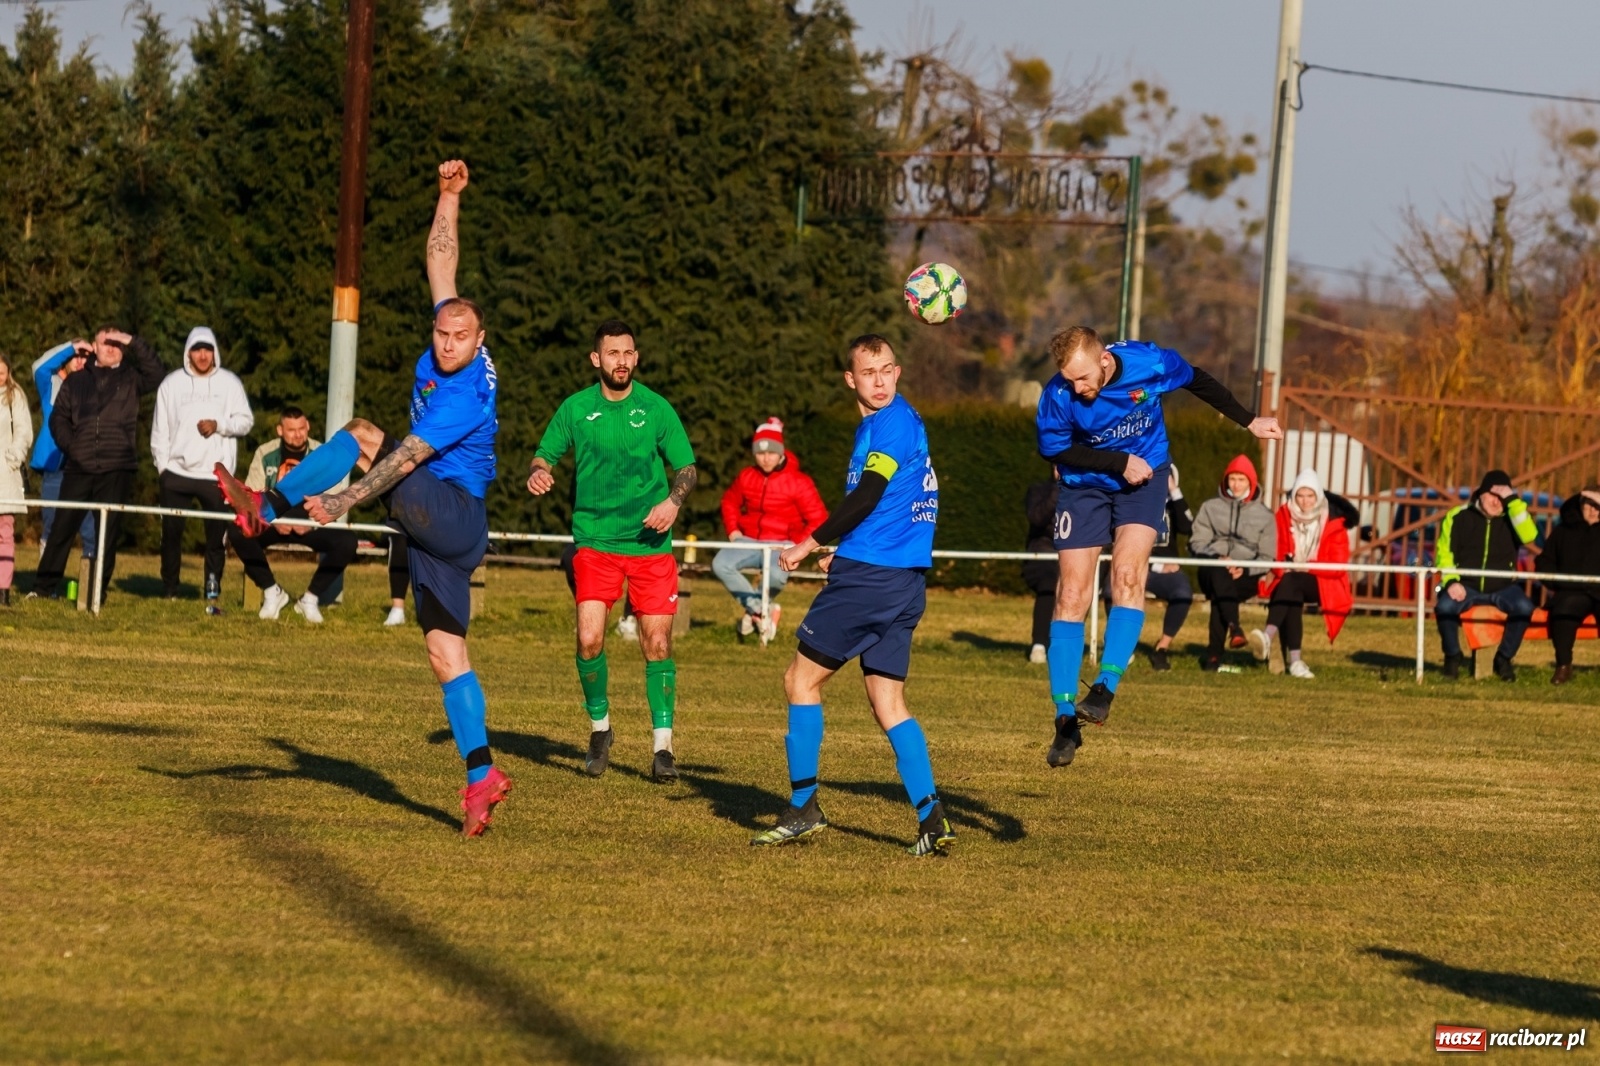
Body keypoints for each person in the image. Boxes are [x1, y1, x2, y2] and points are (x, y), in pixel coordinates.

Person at [216, 159, 511, 836]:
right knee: (444, 654)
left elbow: (405, 457)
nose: (446, 344)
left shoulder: (465, 395)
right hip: (439, 527)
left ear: (480, 342)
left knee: (365, 433)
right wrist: (448, 196)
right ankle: (480, 777)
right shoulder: (449, 329)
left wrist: (341, 503)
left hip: (455, 515)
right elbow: (442, 261)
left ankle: (270, 505)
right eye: (441, 334)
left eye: (460, 338)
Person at [1036, 326, 1280, 768]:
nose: (1077, 388)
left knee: (1128, 575)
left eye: (1084, 378)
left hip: (1144, 480)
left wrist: (1249, 420)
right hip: (1085, 486)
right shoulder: (1058, 395)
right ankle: (1064, 718)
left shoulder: (1148, 363)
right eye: (1070, 380)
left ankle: (1106, 687)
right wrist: (1117, 462)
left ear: (1105, 361)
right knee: (1070, 594)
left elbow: (1197, 378)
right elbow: (1054, 449)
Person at [750, 334, 954, 857]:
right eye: (870, 372)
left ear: (898, 371)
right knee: (887, 700)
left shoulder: (890, 424)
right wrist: (847, 548)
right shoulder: (895, 421)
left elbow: (869, 494)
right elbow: (898, 505)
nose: (881, 380)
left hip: (873, 579)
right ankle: (932, 819)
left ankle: (803, 808)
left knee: (799, 679)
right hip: (903, 579)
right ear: (852, 379)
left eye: (888, 369)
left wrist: (810, 542)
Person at [527, 319, 697, 783]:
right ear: (595, 359)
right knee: (588, 639)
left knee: (656, 643)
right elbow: (544, 454)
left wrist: (673, 501)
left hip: (650, 546)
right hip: (596, 543)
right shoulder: (576, 409)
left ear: (635, 358)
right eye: (612, 353)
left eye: (628, 353)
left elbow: (686, 467)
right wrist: (538, 471)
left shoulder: (657, 408)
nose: (621, 361)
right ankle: (600, 729)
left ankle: (663, 748)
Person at [31, 328, 164, 601]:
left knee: (107, 533)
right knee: (61, 529)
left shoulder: (131, 379)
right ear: (95, 346)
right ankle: (44, 589)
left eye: (118, 344)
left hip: (117, 467)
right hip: (79, 467)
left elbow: (157, 373)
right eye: (107, 342)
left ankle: (96, 591)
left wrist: (131, 340)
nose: (112, 347)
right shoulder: (75, 381)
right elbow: (58, 419)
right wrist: (73, 446)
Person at [151, 327, 254, 612]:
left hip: (215, 476)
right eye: (197, 349)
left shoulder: (229, 383)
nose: (203, 355)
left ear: (214, 352)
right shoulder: (171, 384)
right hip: (177, 473)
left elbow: (245, 422)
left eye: (207, 349)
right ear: (188, 352)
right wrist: (163, 468)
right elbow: (160, 430)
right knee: (171, 534)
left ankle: (212, 590)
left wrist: (220, 425)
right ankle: (170, 589)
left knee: (215, 538)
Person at [230, 407, 359, 624]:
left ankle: (310, 598)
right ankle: (272, 592)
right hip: (273, 520)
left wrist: (312, 522)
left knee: (348, 541)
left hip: (312, 520)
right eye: (291, 430)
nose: (298, 434)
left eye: (301, 428)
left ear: (308, 426)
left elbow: (335, 496)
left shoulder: (322, 452)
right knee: (237, 531)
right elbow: (253, 495)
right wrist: (275, 520)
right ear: (280, 430)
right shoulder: (265, 452)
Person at [714, 417, 827, 642]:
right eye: (760, 453)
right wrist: (733, 530)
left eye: (771, 453)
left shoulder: (799, 482)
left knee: (777, 575)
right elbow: (729, 501)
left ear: (781, 452)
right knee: (720, 564)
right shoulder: (746, 475)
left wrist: (797, 545)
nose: (765, 458)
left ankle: (754, 612)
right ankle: (760, 610)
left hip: (782, 545)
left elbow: (819, 519)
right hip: (748, 540)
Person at [1433, 469, 1537, 681]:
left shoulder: (1513, 517)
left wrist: (1513, 501)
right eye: (1493, 495)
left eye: (1502, 497)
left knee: (1525, 607)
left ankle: (1504, 658)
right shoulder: (1457, 516)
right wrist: (1451, 581)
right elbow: (1444, 553)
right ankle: (1452, 656)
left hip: (1503, 586)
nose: (1497, 501)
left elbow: (1530, 535)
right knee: (1444, 607)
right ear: (1481, 492)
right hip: (1465, 585)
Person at [1254, 468, 1356, 678]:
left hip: (1325, 582)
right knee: (1292, 593)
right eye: (1300, 495)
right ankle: (1295, 661)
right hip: (1289, 578)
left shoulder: (1335, 521)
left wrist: (1306, 566)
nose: (1305, 501)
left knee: (1292, 582)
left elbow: (1337, 566)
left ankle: (1267, 635)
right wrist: (1287, 564)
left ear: (1318, 495)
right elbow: (1277, 550)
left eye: (1310, 495)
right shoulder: (1282, 515)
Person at [1097, 464, 1195, 671]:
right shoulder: (1130, 501)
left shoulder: (1172, 504)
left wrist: (1174, 491)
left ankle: (1162, 648)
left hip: (1165, 571)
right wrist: (1157, 565)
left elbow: (1188, 527)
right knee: (1111, 589)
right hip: (1135, 564)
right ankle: (1121, 646)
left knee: (1183, 591)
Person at [1190, 454, 1276, 671]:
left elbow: (1267, 558)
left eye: (1241, 480)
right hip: (1211, 569)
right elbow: (1196, 542)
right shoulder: (1210, 507)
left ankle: (1214, 657)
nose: (1236, 485)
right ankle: (1234, 628)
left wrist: (1243, 568)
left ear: (1251, 482)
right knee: (1220, 575)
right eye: (1232, 479)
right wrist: (1217, 559)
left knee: (1222, 596)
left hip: (1245, 575)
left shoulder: (1266, 516)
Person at [29, 341, 96, 560]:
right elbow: (39, 367)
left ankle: (90, 585)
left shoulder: (95, 386)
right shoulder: (51, 384)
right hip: (55, 469)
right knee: (51, 525)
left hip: (84, 468)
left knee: (89, 529)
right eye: (75, 356)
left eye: (85, 357)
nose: (80, 360)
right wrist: (71, 346)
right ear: (63, 363)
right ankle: (47, 586)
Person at [1536, 487, 1600, 685]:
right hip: (1571, 592)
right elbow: (1545, 563)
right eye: (1589, 504)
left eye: (1598, 506)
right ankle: (1564, 666)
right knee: (1564, 612)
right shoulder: (1563, 531)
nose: (1593, 510)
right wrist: (1558, 582)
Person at [0, 354, 34, 606]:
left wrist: (13, 456)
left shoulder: (15, 397)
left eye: (1, 373)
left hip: (5, 476)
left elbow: (24, 431)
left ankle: (3, 589)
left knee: (5, 534)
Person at [1021, 477, 1059, 664]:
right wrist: (1057, 491)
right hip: (1043, 554)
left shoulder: (1084, 492)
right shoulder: (1038, 490)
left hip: (1075, 554)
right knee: (1049, 581)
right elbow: (1037, 518)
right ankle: (1039, 645)